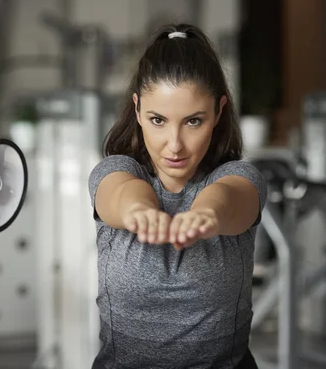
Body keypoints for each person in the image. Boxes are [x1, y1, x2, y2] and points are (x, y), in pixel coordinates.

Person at [88, 23, 267, 369]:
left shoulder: (240, 178)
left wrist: (207, 215)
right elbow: (121, 191)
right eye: (158, 120)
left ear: (219, 112)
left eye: (193, 121)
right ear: (137, 109)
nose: (174, 144)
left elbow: (228, 196)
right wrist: (140, 211)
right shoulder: (115, 171)